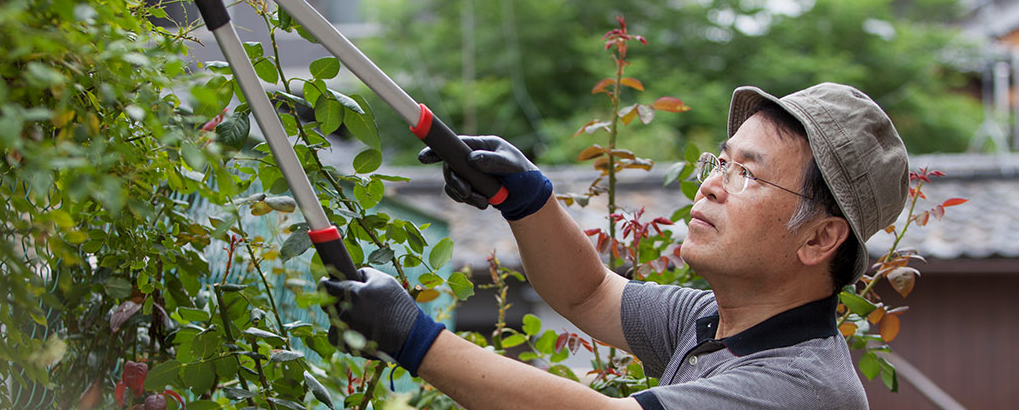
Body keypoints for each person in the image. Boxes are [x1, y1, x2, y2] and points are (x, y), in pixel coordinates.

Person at [322, 83, 909, 409]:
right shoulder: (710, 322)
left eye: (747, 175)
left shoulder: (803, 388)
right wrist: (527, 201)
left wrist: (413, 338)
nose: (710, 184)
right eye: (721, 163)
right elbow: (589, 292)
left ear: (820, 237)